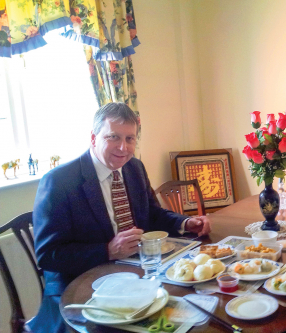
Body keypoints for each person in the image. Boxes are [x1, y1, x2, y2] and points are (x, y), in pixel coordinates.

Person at [30, 103, 211, 333]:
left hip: (133, 276)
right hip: (79, 288)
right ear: (94, 138)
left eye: (130, 139)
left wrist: (185, 222)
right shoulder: (59, 182)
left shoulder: (134, 167)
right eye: (113, 137)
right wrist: (108, 250)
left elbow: (153, 214)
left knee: (189, 311)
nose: (123, 147)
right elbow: (48, 254)